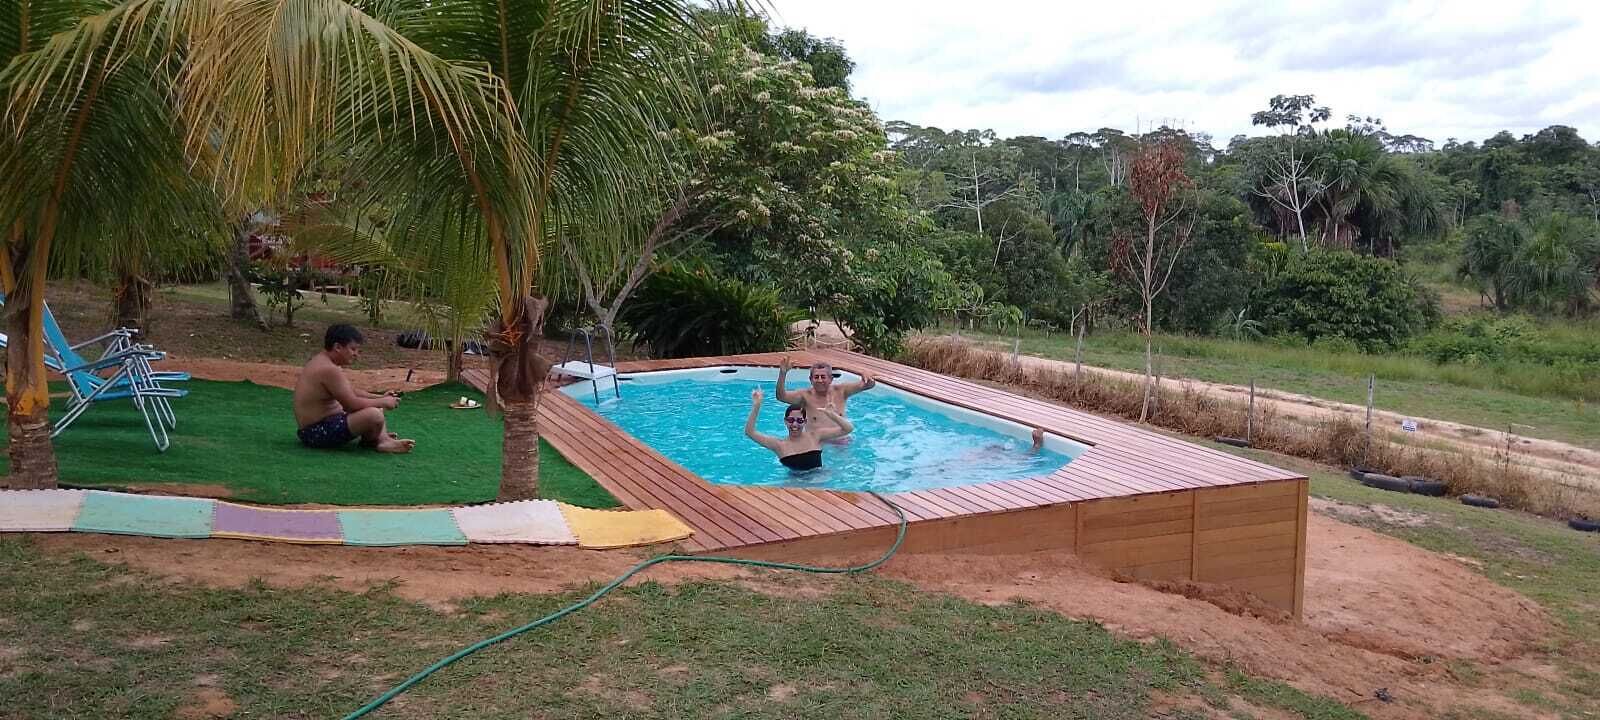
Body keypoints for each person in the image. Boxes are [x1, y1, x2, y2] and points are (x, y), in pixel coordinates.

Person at [293, 324, 415, 453]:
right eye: (353, 349)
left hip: (322, 426)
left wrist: (380, 397)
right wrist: (383, 402)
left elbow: (350, 391)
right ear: (337, 347)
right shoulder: (328, 369)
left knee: (375, 408)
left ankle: (377, 438)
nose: (356, 354)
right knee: (374, 414)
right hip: (315, 433)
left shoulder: (326, 362)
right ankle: (382, 441)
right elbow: (351, 405)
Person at [743, 388, 853, 470]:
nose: (795, 424)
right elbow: (750, 432)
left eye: (799, 421)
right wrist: (756, 406)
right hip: (795, 485)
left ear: (805, 422)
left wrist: (831, 414)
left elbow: (848, 429)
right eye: (791, 420)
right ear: (785, 421)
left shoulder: (815, 436)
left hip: (821, 480)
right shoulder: (779, 445)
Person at [774, 355, 875, 437]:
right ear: (810, 379)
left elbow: (868, 385)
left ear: (831, 379)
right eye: (816, 377)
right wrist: (782, 373)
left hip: (841, 442)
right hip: (818, 443)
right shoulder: (805, 396)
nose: (819, 380)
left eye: (823, 377)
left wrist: (867, 375)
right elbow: (781, 396)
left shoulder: (842, 391)